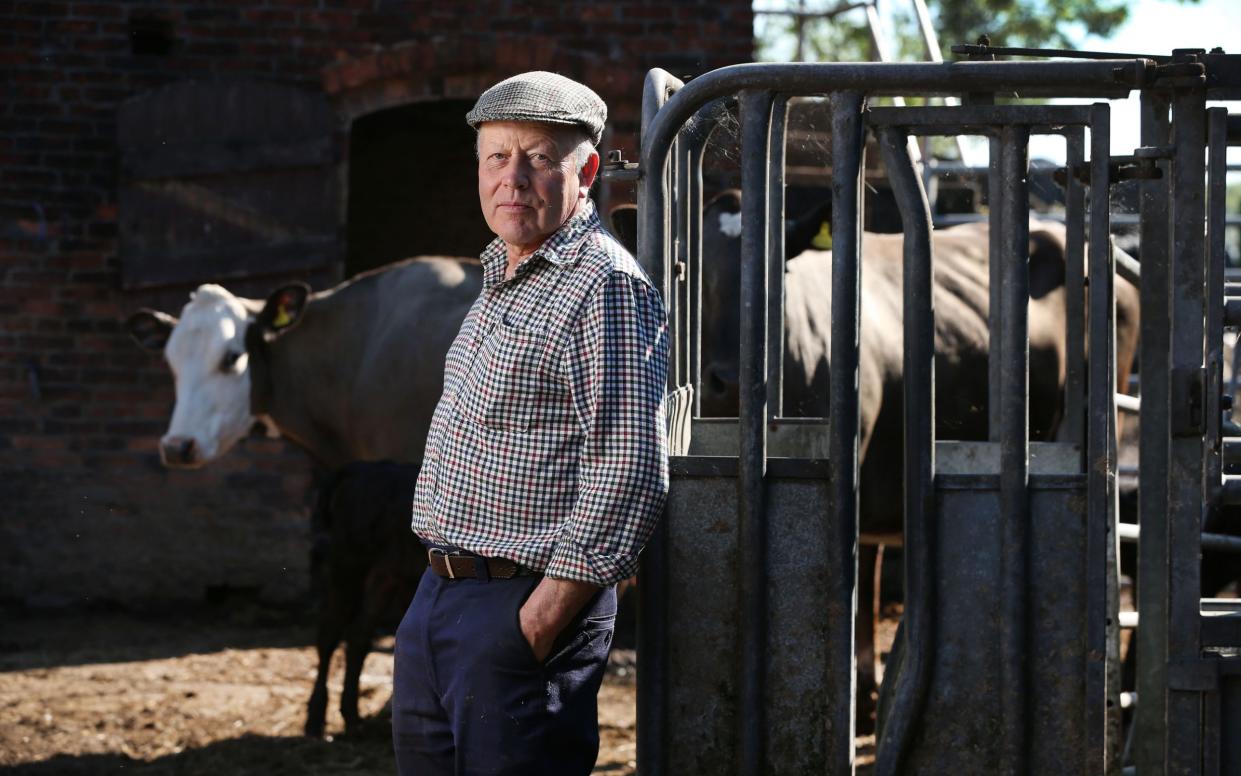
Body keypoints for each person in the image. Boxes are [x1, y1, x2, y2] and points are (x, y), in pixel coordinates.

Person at [391, 71, 670, 776]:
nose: (512, 178)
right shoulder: (505, 273)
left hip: (522, 606)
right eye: (496, 157)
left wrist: (539, 621)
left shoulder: (602, 286)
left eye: (540, 159)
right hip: (440, 596)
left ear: (587, 172)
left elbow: (629, 466)